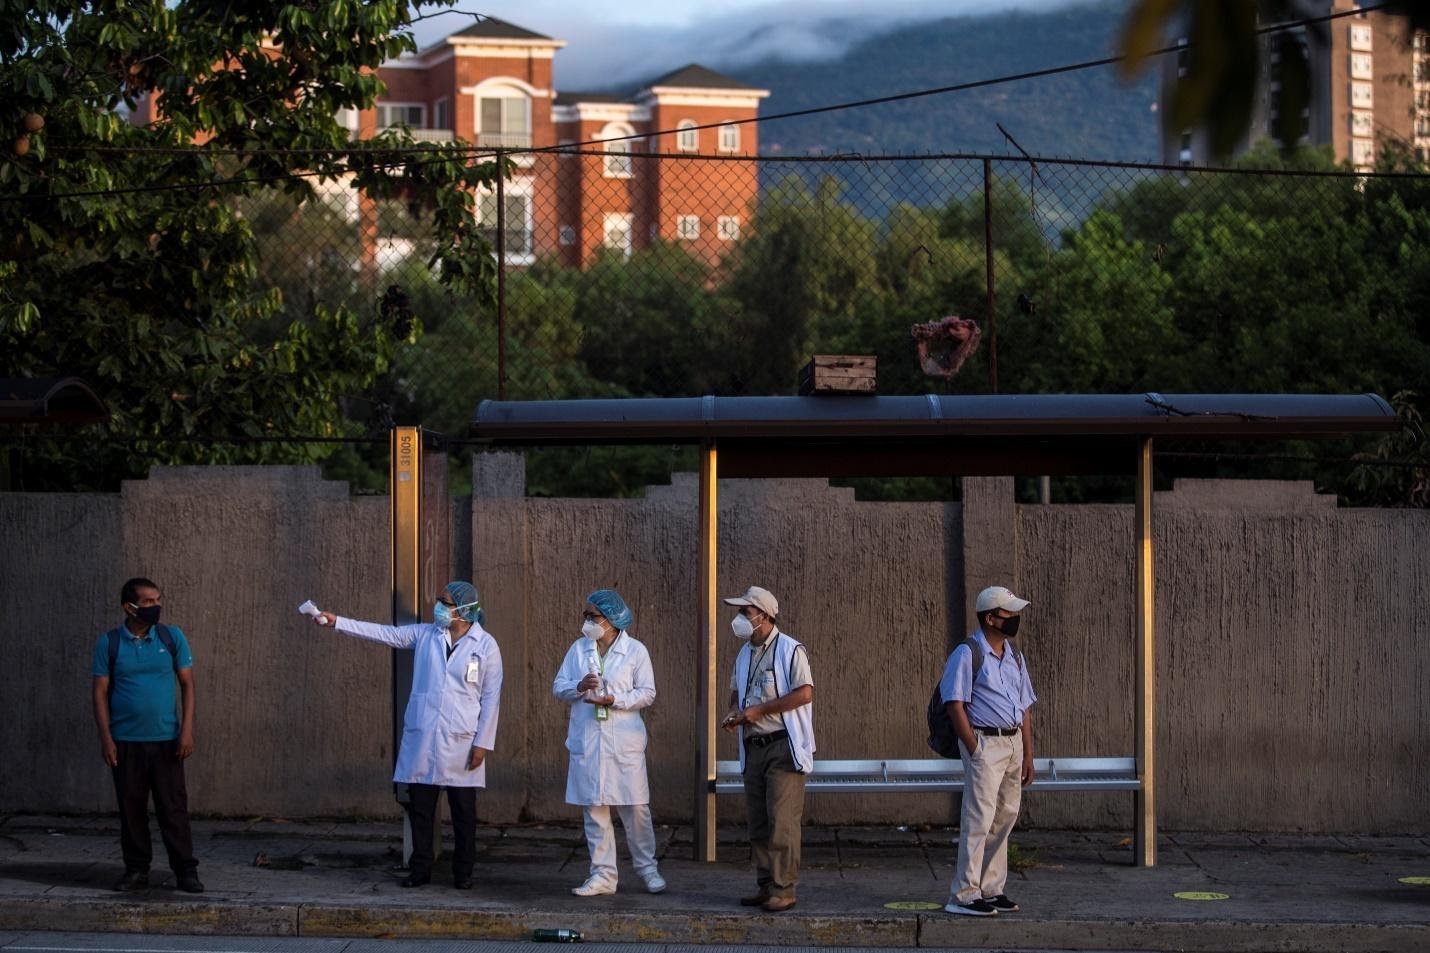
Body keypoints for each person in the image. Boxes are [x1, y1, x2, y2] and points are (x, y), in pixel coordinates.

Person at [311, 581, 502, 890]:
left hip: (462, 741)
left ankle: (463, 872)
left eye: (445, 602)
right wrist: (338, 623)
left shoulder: (486, 645)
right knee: (421, 810)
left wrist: (482, 743)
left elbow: (491, 698)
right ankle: (420, 868)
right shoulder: (426, 634)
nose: (438, 605)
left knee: (464, 813)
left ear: (464, 611)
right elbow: (386, 634)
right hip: (424, 736)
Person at [91, 577, 203, 893]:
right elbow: (99, 693)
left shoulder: (171, 637)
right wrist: (106, 739)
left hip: (167, 741)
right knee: (131, 809)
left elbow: (188, 685)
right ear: (130, 607)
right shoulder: (109, 643)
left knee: (173, 808)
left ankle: (185, 871)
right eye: (148, 601)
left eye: (157, 600)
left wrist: (186, 730)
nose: (155, 606)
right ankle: (137, 870)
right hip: (125, 742)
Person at [551, 588, 665, 897]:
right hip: (588, 740)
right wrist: (578, 687)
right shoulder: (578, 649)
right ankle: (603, 875)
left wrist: (616, 699)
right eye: (585, 616)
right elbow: (558, 687)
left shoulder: (636, 651)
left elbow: (647, 692)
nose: (587, 622)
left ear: (612, 620)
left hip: (623, 739)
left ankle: (647, 869)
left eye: (593, 616)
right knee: (595, 810)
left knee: (635, 809)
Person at [940, 585, 1037, 917]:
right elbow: (954, 702)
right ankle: (964, 893)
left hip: (1011, 744)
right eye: (1008, 613)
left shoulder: (1013, 655)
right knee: (978, 817)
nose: (1014, 618)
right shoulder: (968, 653)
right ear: (991, 618)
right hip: (985, 741)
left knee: (1005, 815)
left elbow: (1023, 707)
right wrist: (973, 746)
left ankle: (992, 887)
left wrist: (1027, 752)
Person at [720, 585, 813, 913]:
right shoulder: (744, 653)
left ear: (764, 615)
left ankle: (784, 888)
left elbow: (804, 693)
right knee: (758, 822)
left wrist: (760, 711)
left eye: (745, 613)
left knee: (782, 821)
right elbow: (737, 692)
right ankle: (766, 884)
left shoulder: (790, 650)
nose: (740, 618)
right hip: (753, 746)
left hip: (782, 747)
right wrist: (734, 712)